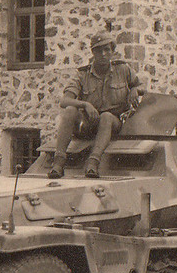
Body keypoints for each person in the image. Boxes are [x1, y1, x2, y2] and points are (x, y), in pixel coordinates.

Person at [48, 31, 143, 179]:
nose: (104, 54)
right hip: (89, 123)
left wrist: (135, 90)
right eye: (99, 50)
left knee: (106, 116)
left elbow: (142, 86)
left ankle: (93, 162)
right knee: (70, 110)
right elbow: (64, 101)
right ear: (93, 53)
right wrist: (84, 104)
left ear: (112, 51)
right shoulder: (82, 75)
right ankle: (58, 162)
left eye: (107, 50)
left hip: (113, 123)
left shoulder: (123, 70)